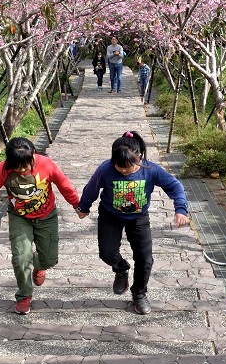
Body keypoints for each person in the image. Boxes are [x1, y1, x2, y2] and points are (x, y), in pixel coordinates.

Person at [76, 131, 189, 315]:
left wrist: (180, 209)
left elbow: (175, 186)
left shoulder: (150, 170)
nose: (122, 171)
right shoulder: (106, 169)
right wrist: (84, 206)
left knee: (145, 259)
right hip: (110, 215)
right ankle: (121, 269)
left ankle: (139, 293)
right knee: (107, 253)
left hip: (138, 218)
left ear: (139, 157)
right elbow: (92, 187)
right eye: (118, 167)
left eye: (127, 168)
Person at [0, 137, 82, 315]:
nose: (23, 170)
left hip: (47, 216)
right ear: (9, 163)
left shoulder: (46, 165)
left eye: (27, 165)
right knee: (20, 257)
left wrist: (77, 205)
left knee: (49, 259)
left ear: (33, 156)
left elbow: (64, 185)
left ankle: (39, 266)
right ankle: (24, 295)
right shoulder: (2, 170)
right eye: (18, 167)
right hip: (19, 217)